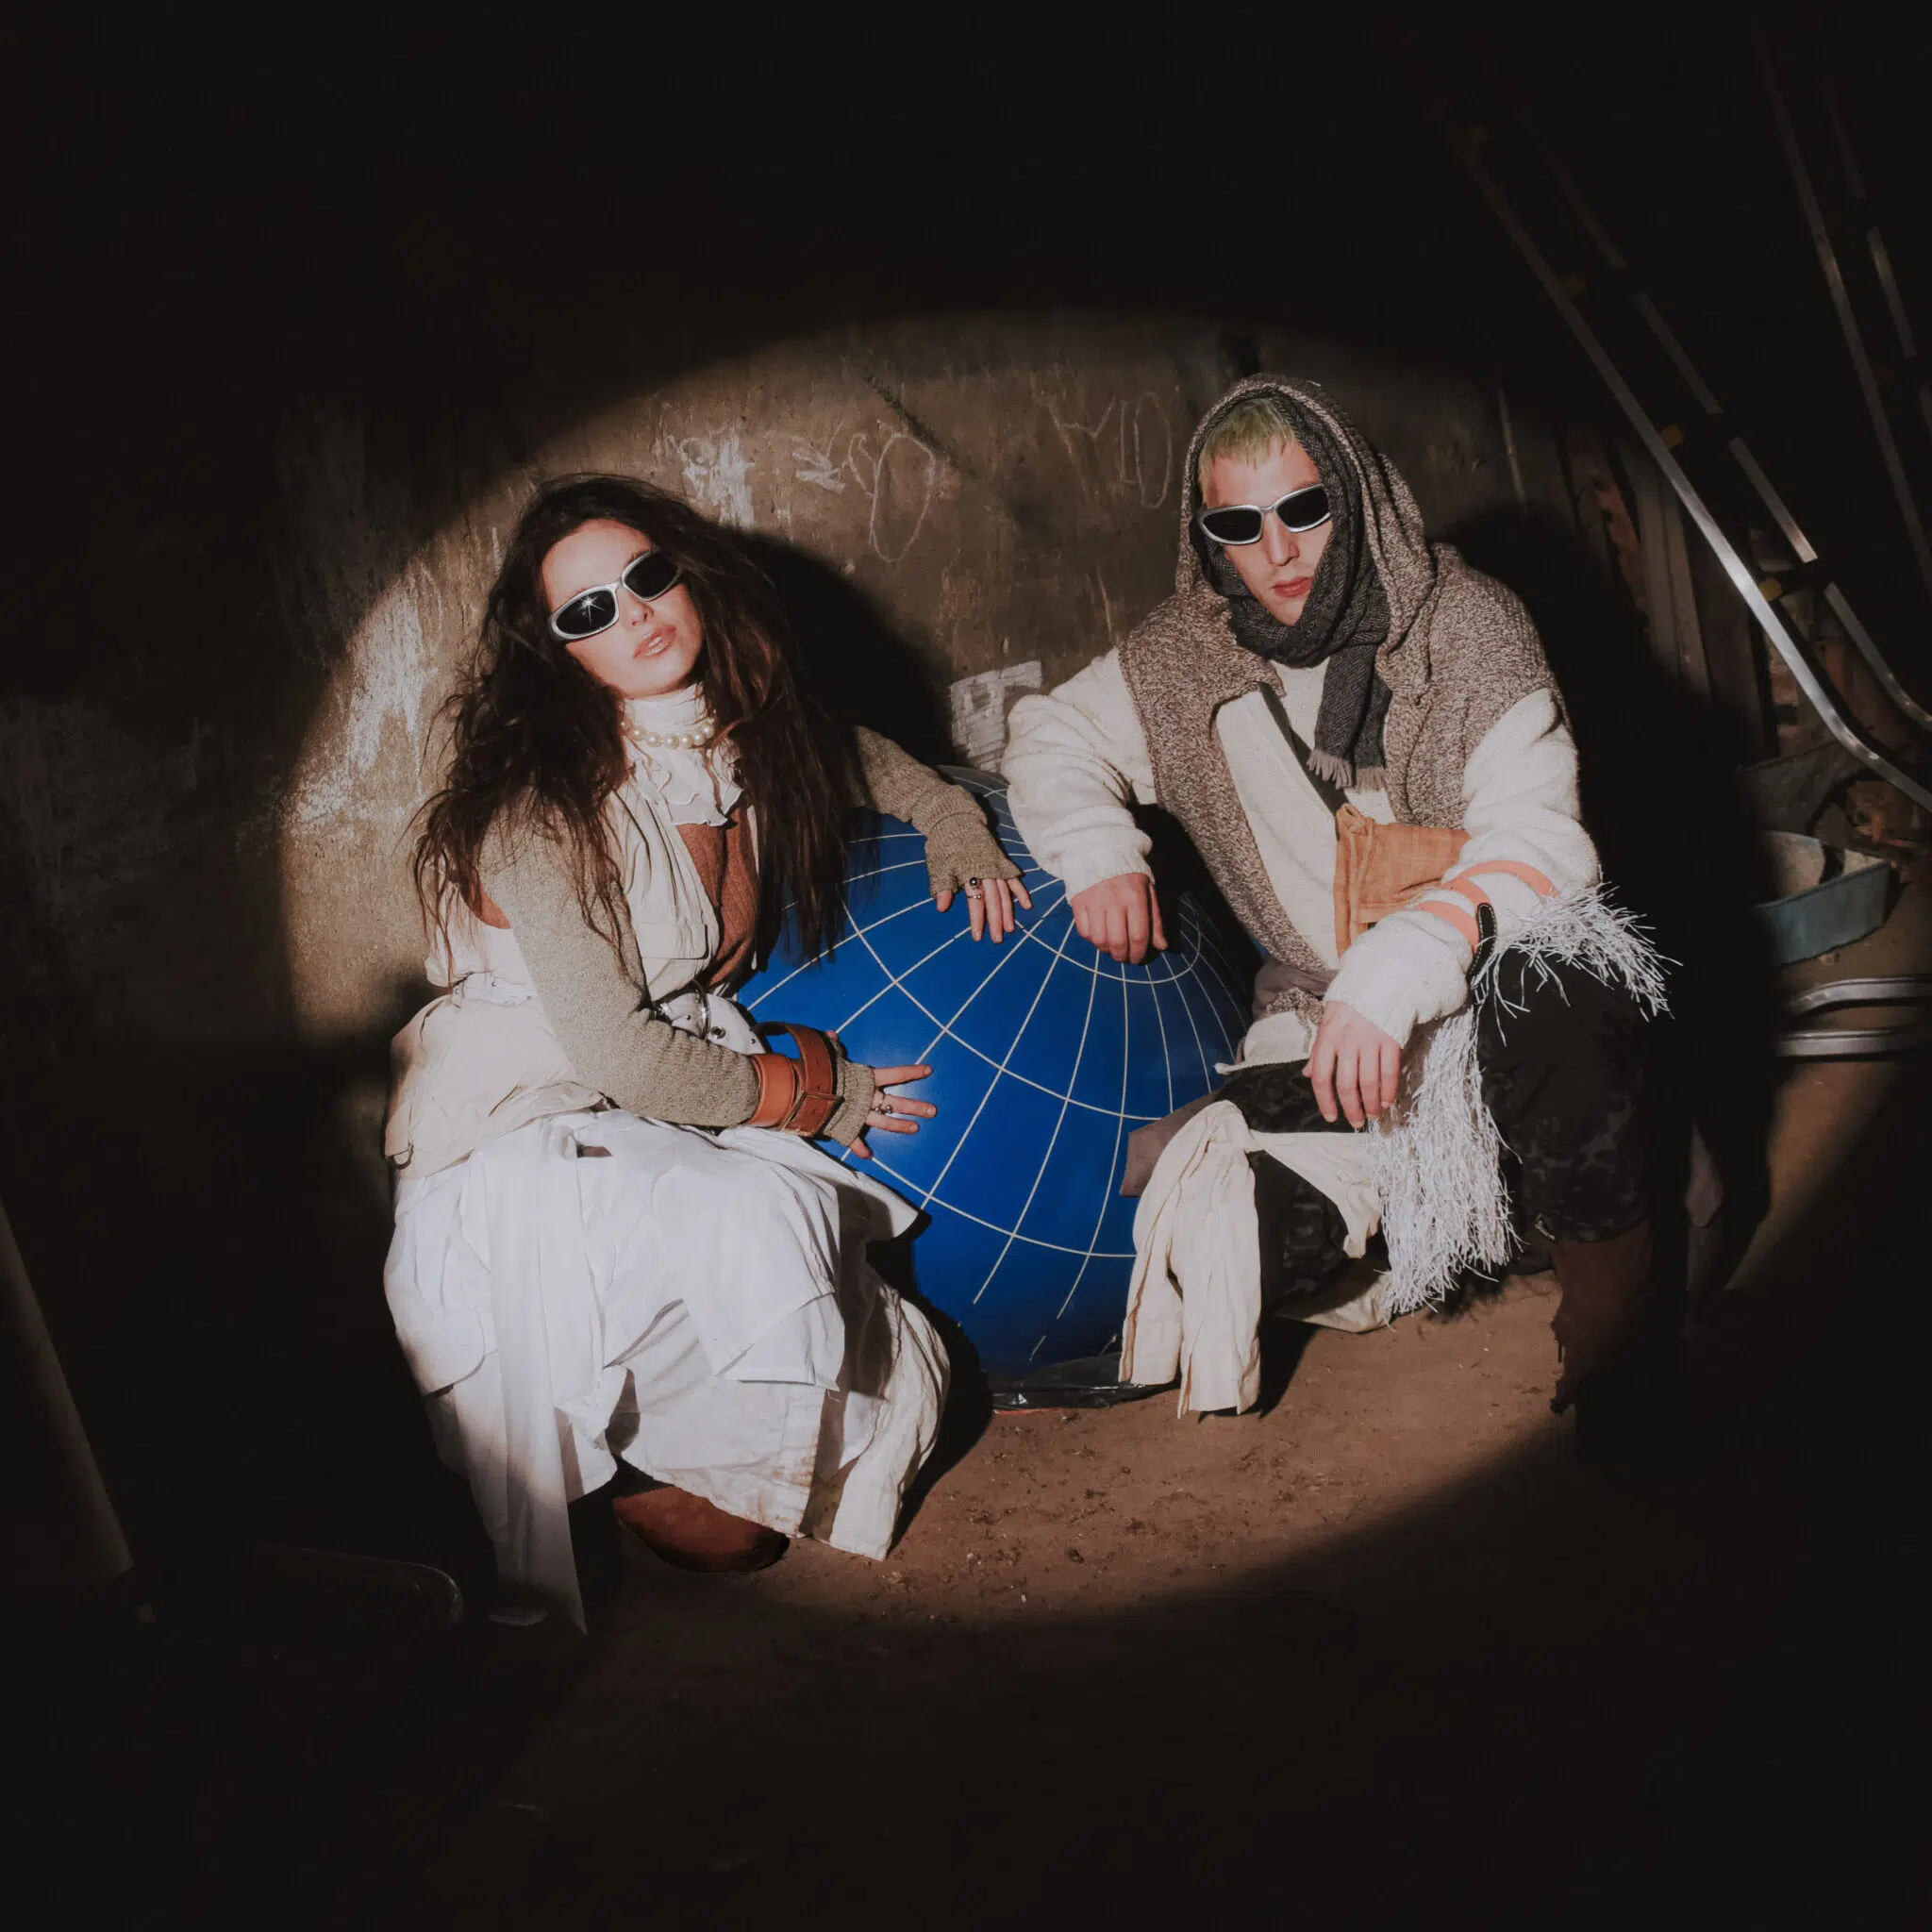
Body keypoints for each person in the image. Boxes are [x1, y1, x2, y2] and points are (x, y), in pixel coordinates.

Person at [383, 475, 1026, 1624]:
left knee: (885, 1370)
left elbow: (861, 757)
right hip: (529, 1113)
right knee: (755, 1219)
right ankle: (623, 1456)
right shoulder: (541, 806)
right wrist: (812, 1092)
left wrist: (952, 819)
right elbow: (620, 1055)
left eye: (647, 576)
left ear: (690, 577)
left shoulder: (734, 732)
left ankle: (692, 1437)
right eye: (588, 610)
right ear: (556, 650)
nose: (632, 613)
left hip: (649, 1078)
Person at [1002, 378, 1667, 1431]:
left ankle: (1613, 1317)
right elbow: (1049, 731)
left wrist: (1405, 959)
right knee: (1213, 1230)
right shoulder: (1183, 654)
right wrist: (1096, 850)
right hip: (1325, 1030)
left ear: (1353, 496)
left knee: (1557, 987)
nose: (1277, 551)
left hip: (1485, 998)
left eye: (1303, 509)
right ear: (1208, 537)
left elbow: (1543, 841)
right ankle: (1456, 1216)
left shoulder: (1468, 625)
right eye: (1238, 525)